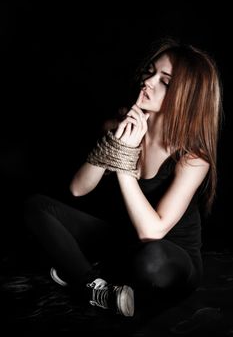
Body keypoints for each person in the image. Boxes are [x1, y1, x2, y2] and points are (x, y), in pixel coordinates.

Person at [24, 37, 222, 318]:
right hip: (124, 241)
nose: (148, 81)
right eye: (150, 72)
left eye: (164, 81)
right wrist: (116, 145)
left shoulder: (192, 157)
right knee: (38, 206)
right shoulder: (120, 126)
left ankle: (93, 270)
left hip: (170, 259)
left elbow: (151, 232)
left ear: (186, 97)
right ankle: (93, 286)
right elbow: (78, 188)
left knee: (150, 260)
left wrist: (124, 159)